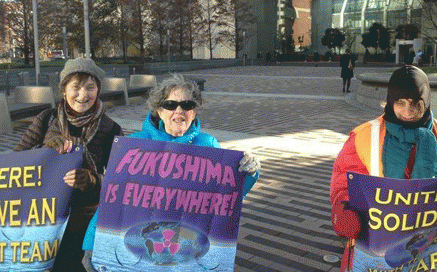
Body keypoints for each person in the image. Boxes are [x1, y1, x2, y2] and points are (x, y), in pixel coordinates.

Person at [81, 74, 261, 271]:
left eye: (187, 104)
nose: (179, 110)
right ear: (159, 110)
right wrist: (91, 244)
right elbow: (113, 199)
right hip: (144, 246)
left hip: (186, 250)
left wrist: (249, 171)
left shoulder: (209, 145)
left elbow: (228, 197)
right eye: (170, 104)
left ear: (195, 111)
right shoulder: (136, 146)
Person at [330, 65, 437, 271]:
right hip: (376, 249)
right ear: (390, 101)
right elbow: (343, 182)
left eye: (416, 103)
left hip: (433, 248)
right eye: (400, 102)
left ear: (427, 100)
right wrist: (343, 210)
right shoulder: (364, 137)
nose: (408, 111)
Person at [14, 57, 123, 271]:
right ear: (63, 90)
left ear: (98, 90)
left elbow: (120, 182)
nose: (83, 95)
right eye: (76, 87)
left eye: (90, 88)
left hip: (85, 219)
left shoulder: (111, 129)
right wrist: (46, 151)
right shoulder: (46, 119)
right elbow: (16, 162)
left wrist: (92, 180)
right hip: (44, 216)